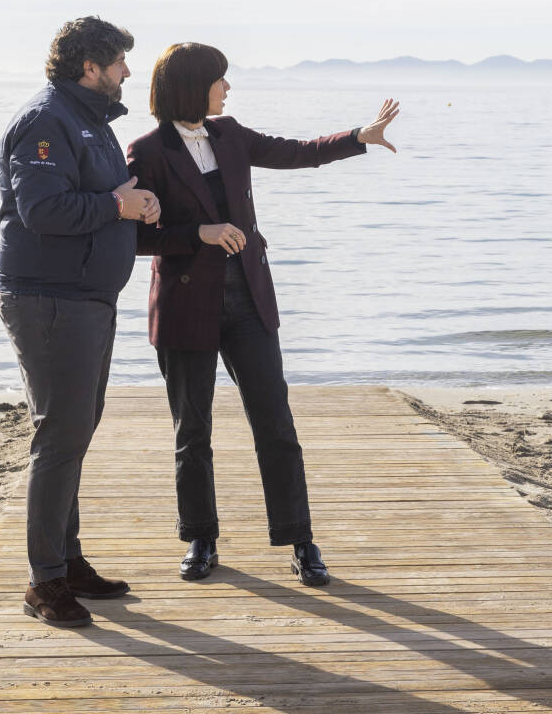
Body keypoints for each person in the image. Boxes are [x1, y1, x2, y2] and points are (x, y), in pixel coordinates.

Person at [126, 42, 399, 586]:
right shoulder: (146, 150)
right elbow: (135, 235)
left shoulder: (229, 134)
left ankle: (300, 539)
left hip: (248, 298)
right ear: (192, 85)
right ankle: (201, 538)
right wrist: (197, 234)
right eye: (220, 80)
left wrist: (357, 138)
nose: (228, 89)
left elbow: (293, 151)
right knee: (192, 431)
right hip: (185, 307)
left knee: (276, 423)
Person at [0, 16, 160, 627]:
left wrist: (135, 207)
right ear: (89, 66)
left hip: (86, 297)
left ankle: (66, 561)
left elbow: (96, 203)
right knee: (60, 437)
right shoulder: (46, 119)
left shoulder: (89, 123)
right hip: (50, 298)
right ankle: (44, 583)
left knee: (75, 434)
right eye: (119, 61)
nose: (126, 72)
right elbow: (41, 209)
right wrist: (118, 204)